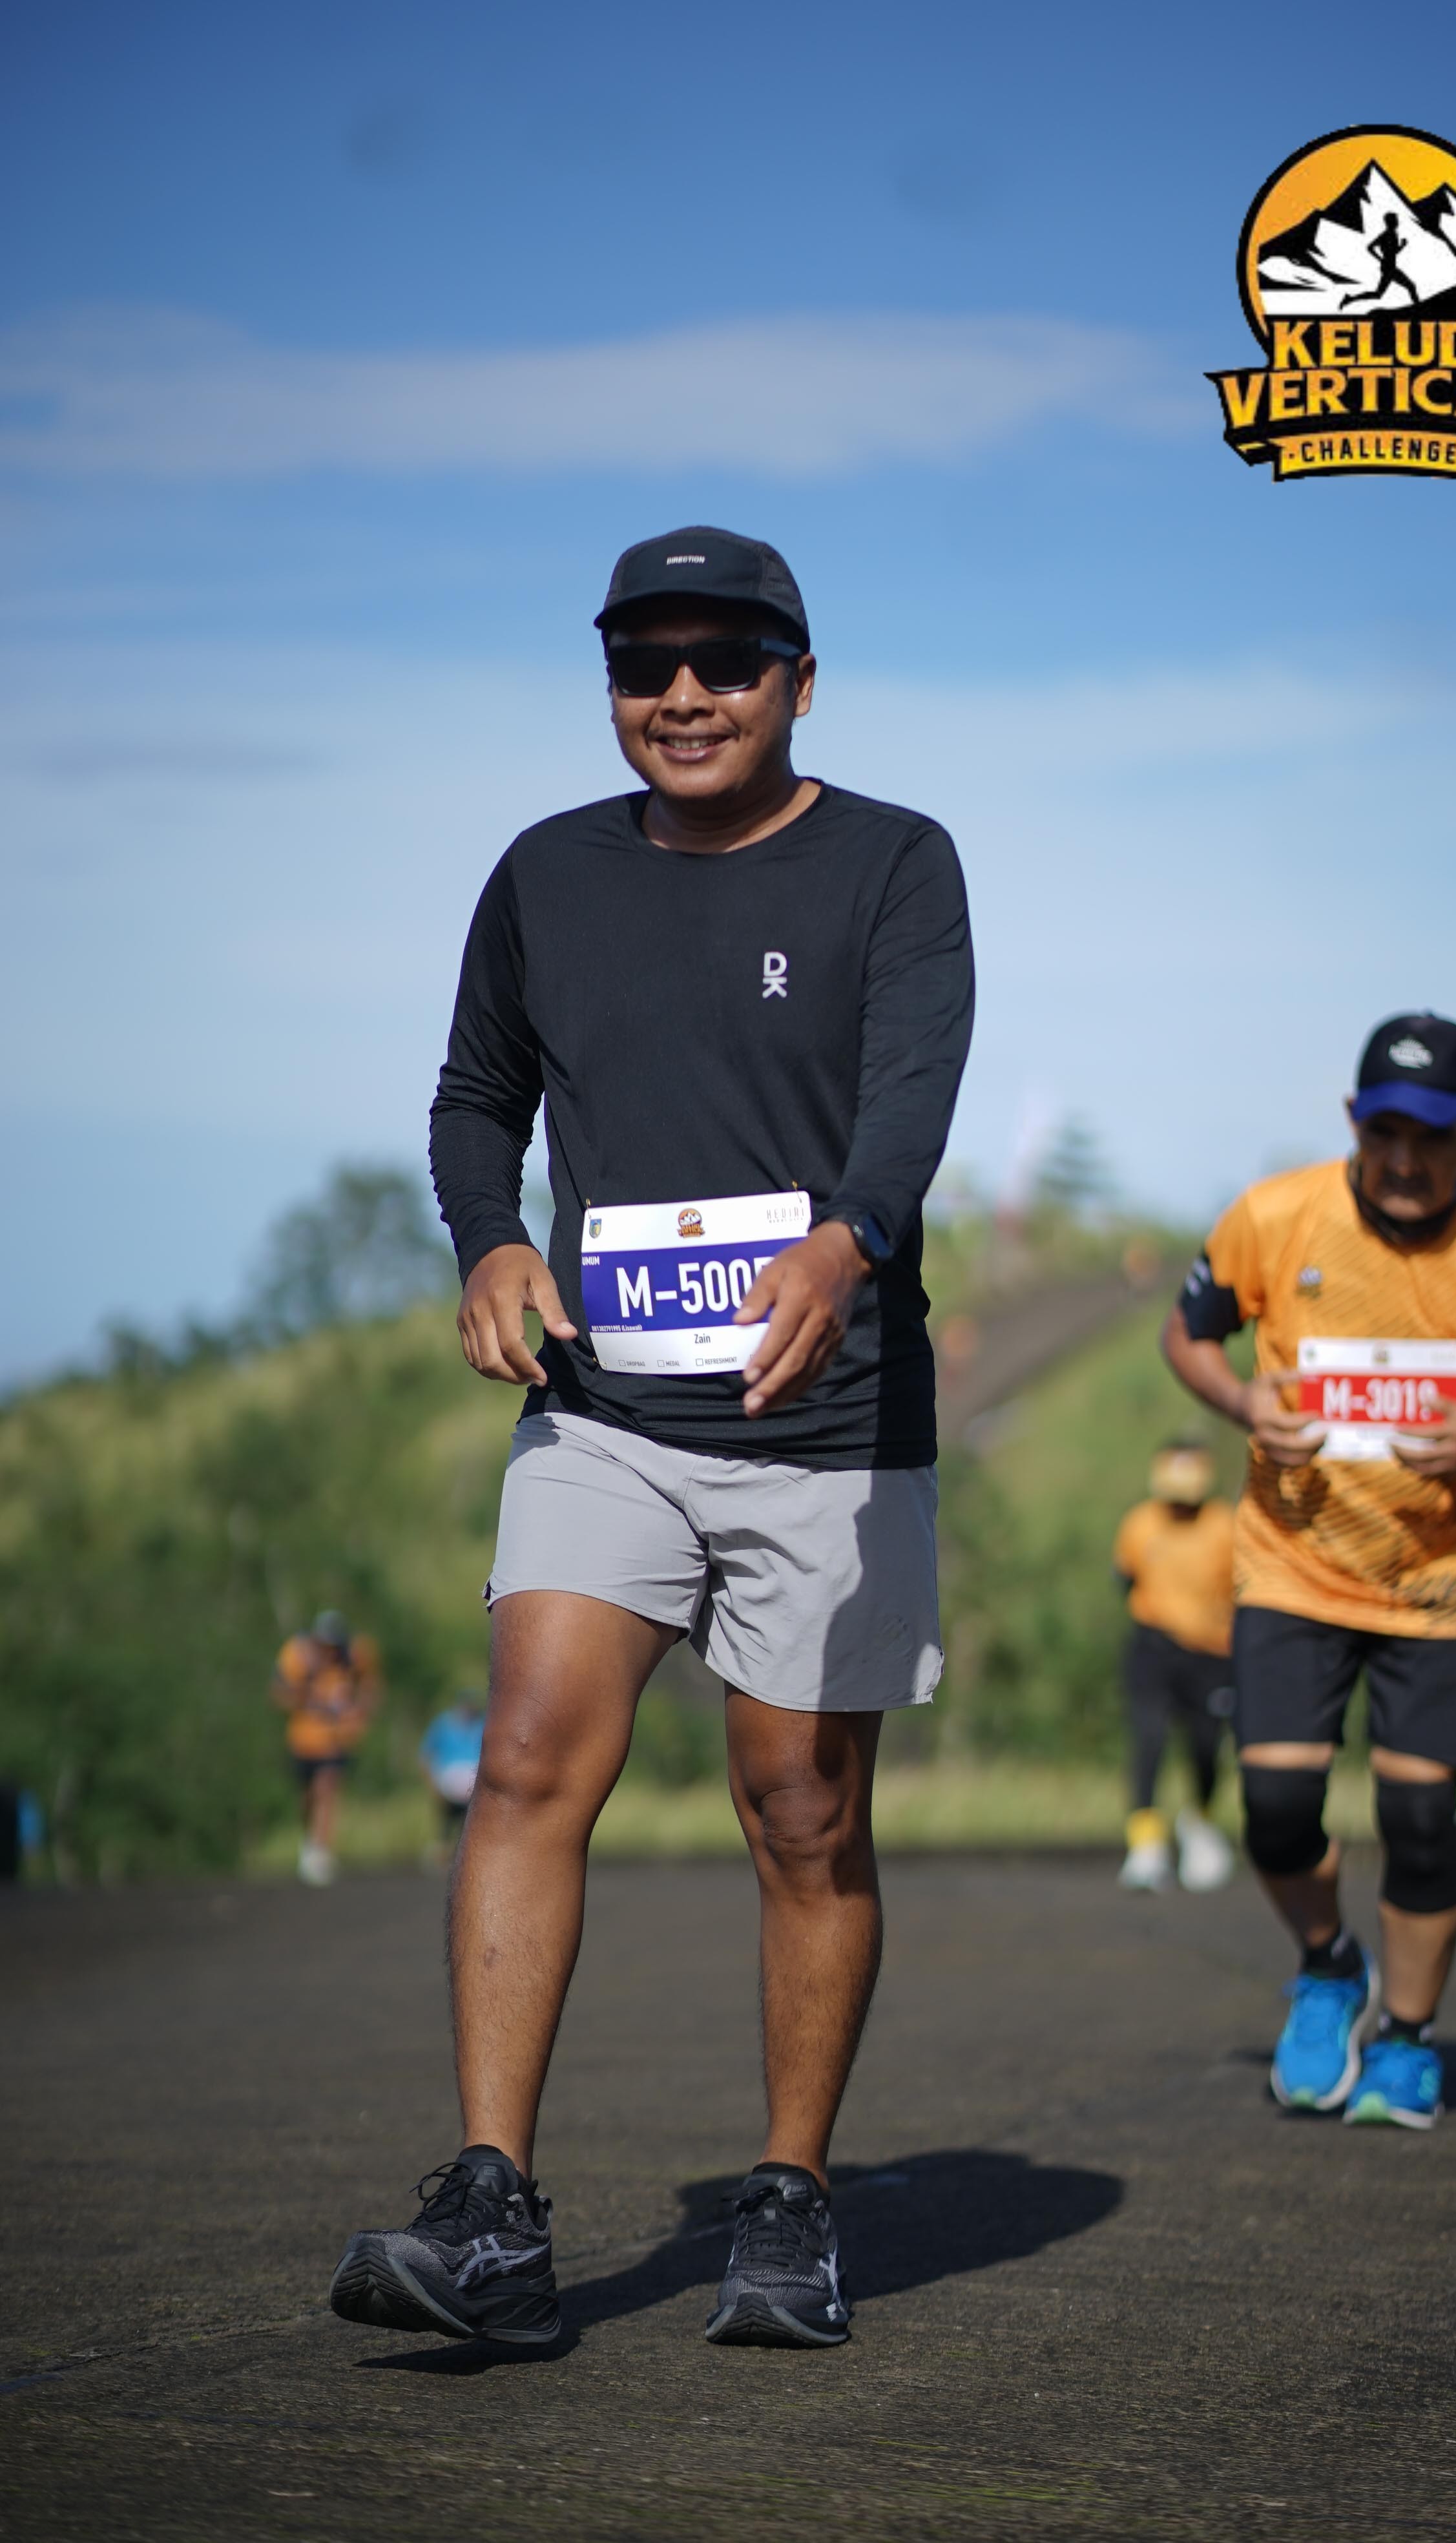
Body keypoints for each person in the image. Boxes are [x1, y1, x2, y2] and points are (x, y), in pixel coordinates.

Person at [329, 525, 973, 2350]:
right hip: (603, 1409)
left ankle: (788, 2201)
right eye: (644, 663)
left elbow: (912, 1099)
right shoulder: (546, 873)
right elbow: (475, 1095)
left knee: (800, 1809)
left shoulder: (894, 863)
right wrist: (490, 1239)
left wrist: (848, 1241)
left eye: (725, 661)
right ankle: (490, 2211)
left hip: (825, 1418)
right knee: (529, 1751)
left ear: (798, 681)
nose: (683, 695)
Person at [1161, 1014, 1456, 2129]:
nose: (1404, 1159)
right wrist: (1240, 1400)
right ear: (1352, 1122)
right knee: (1275, 1807)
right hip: (1292, 1566)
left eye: (1433, 1137)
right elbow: (1188, 1332)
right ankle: (1327, 1966)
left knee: (1418, 1817)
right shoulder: (1276, 1215)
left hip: (1437, 1586)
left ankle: (1407, 2038)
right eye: (1384, 1132)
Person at [1112, 1441, 1236, 1894]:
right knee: (1149, 1738)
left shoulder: (1224, 1526)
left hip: (1212, 1653)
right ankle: (1146, 1842)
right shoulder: (1141, 1523)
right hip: (1154, 1646)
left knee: (1205, 1746)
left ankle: (1200, 1824)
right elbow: (1125, 1578)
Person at [269, 1611, 382, 1885]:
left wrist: (359, 1714)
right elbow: (277, 1694)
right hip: (303, 1740)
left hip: (335, 1739)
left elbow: (372, 1686)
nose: (330, 1652)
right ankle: (310, 1840)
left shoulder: (355, 1655)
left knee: (327, 1789)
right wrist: (304, 1696)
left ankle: (320, 1852)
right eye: (325, 1645)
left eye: (335, 1646)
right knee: (308, 1797)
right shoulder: (297, 1655)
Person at [419, 1692, 486, 1852]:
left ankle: (464, 1849)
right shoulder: (443, 1724)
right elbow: (426, 1755)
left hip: (473, 1780)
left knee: (469, 1822)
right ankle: (444, 1847)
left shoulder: (481, 1724)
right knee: (448, 1821)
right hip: (449, 1780)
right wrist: (432, 1784)